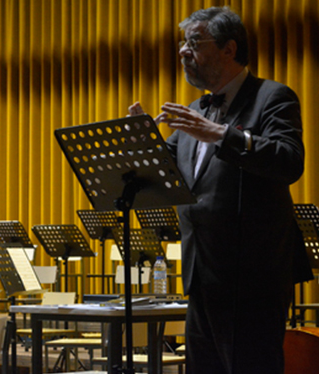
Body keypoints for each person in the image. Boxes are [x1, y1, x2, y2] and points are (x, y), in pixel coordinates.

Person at [128, 6, 312, 374]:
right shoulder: (197, 110)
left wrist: (219, 134)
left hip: (253, 279)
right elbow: (168, 167)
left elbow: (289, 161)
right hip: (201, 273)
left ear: (229, 49)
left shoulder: (272, 97)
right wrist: (143, 140)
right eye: (183, 43)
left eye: (194, 42)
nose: (183, 51)